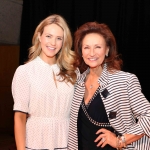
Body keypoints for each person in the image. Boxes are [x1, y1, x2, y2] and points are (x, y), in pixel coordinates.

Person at [68, 22, 150, 150]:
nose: (92, 53)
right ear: (81, 51)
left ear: (106, 50)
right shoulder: (77, 83)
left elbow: (148, 116)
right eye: (86, 47)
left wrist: (121, 140)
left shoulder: (124, 80)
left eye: (98, 47)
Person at [12, 14, 78, 150]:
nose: (53, 43)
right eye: (48, 36)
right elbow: (19, 116)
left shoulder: (72, 72)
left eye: (59, 38)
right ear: (39, 37)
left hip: (66, 142)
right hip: (35, 142)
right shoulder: (25, 71)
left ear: (64, 42)